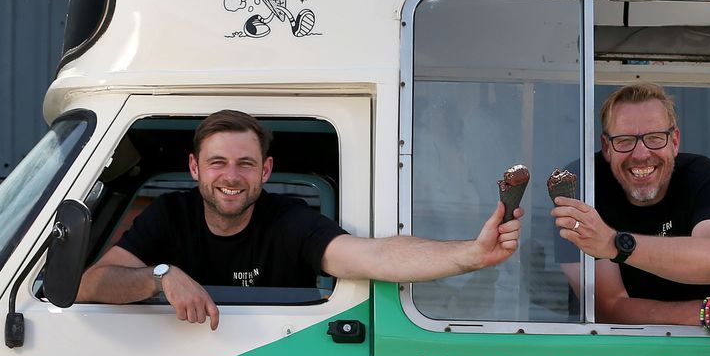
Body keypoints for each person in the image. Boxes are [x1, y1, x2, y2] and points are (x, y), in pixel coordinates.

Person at [79, 110, 520, 328]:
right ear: (195, 169)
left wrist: (471, 254)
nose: (231, 177)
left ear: (265, 170)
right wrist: (161, 277)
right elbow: (88, 284)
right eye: (217, 163)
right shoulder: (168, 214)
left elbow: (375, 255)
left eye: (245, 164)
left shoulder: (289, 220)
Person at [551, 83, 710, 348]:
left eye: (655, 137)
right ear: (606, 146)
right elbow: (608, 309)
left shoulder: (705, 177)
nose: (641, 154)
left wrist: (613, 243)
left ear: (675, 141)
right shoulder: (581, 183)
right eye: (624, 140)